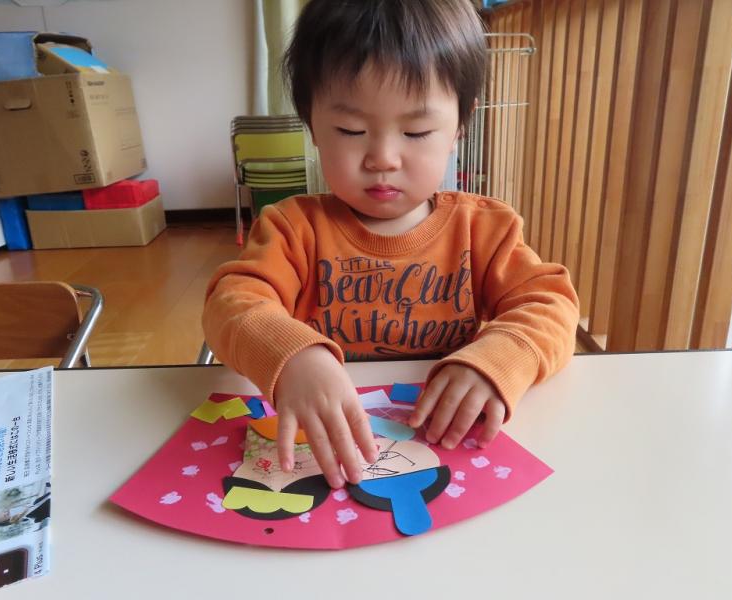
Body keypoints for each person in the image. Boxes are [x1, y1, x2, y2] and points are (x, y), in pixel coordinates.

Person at [203, 0, 579, 489]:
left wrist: (498, 361)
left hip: (439, 444)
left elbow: (550, 304)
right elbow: (231, 303)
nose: (382, 158)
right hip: (323, 449)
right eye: (351, 130)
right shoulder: (292, 228)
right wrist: (292, 356)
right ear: (312, 125)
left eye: (416, 131)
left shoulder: (484, 229)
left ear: (459, 126)